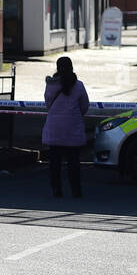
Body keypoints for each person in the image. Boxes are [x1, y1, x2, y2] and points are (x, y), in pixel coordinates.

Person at [43, 56, 90, 198]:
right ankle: (76, 190)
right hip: (72, 128)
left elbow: (47, 103)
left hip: (55, 128)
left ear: (57, 68)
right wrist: (75, 116)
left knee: (55, 162)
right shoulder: (79, 85)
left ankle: (57, 189)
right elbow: (85, 105)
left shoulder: (51, 85)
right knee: (73, 161)